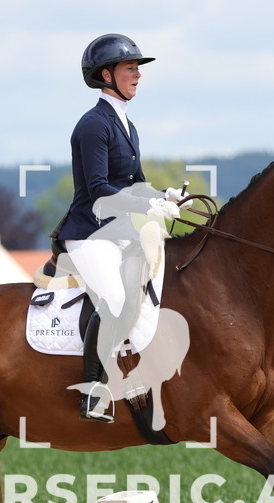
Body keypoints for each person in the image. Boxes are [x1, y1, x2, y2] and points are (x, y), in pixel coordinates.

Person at [54, 33, 185, 423]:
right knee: (113, 298)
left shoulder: (127, 124)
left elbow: (136, 182)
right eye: (131, 68)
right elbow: (99, 190)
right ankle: (93, 391)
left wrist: (167, 196)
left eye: (138, 69)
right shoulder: (93, 125)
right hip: (88, 232)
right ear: (106, 74)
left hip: (120, 232)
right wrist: (149, 204)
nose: (138, 75)